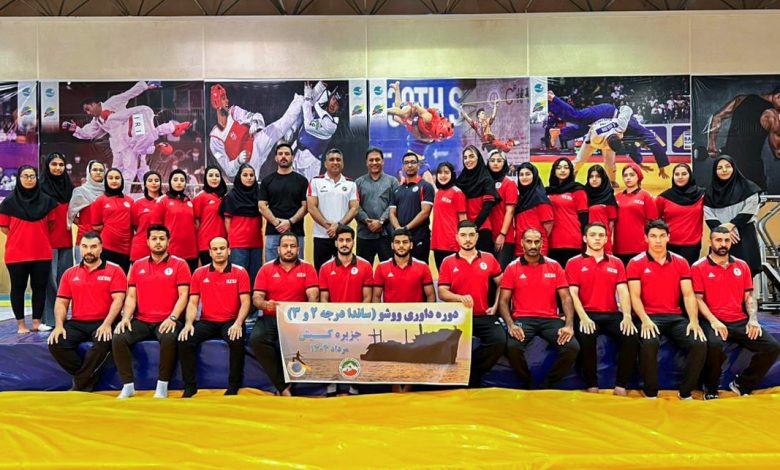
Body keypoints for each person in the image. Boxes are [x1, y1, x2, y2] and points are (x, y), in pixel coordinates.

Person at [693, 226, 780, 399]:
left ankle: (743, 384)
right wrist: (714, 321)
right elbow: (698, 299)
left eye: (726, 240)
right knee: (714, 345)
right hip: (712, 320)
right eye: (718, 240)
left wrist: (753, 319)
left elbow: (749, 296)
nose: (723, 244)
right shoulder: (698, 267)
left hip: (739, 320)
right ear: (710, 242)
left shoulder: (742, 265)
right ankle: (710, 388)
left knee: (772, 347)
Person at [627, 219, 706, 399]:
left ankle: (685, 392)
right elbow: (634, 296)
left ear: (668, 237)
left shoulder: (681, 262)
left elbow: (688, 294)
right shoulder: (635, 262)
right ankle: (650, 392)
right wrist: (645, 320)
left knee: (699, 343)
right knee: (649, 342)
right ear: (646, 238)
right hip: (648, 316)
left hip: (675, 317)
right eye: (653, 236)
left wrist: (694, 321)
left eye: (662, 236)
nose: (658, 240)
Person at [62, 81, 190, 187]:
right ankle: (123, 194)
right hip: (119, 146)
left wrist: (145, 86)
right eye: (86, 112)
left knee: (131, 171)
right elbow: (89, 132)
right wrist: (76, 129)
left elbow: (129, 94)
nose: (88, 113)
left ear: (94, 104)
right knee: (120, 171)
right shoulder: (97, 121)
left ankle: (131, 195)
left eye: (88, 109)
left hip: (133, 135)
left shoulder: (112, 102)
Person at [113, 225, 191, 399]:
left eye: (162, 239)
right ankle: (128, 386)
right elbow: (131, 296)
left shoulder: (180, 264)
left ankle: (162, 386)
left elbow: (183, 295)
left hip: (168, 319)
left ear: (168, 242)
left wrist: (172, 318)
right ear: (147, 242)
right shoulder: (137, 265)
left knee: (169, 337)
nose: (158, 242)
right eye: (154, 239)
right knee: (119, 336)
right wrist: (126, 317)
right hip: (142, 320)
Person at [499, 228, 579, 389]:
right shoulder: (512, 267)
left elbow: (566, 298)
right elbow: (503, 301)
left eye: (537, 242)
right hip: (523, 319)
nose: (533, 245)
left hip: (550, 319)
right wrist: (511, 325)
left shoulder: (554, 266)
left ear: (542, 243)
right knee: (512, 347)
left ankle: (548, 384)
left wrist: (569, 325)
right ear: (522, 243)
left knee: (572, 347)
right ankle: (528, 382)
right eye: (529, 241)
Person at [47, 232, 126, 391]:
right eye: (84, 246)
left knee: (103, 343)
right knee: (56, 343)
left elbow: (118, 300)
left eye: (93, 247)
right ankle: (87, 378)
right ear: (80, 248)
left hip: (104, 321)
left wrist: (107, 324)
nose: (88, 251)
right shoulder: (70, 273)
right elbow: (61, 302)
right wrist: (59, 326)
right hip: (77, 322)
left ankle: (80, 383)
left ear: (101, 248)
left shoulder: (115, 270)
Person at [565, 223, 637, 395]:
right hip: (586, 313)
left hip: (611, 313)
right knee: (587, 336)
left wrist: (627, 316)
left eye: (601, 235)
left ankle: (621, 385)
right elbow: (572, 293)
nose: (597, 238)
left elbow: (623, 291)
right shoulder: (573, 262)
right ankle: (592, 384)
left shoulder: (616, 262)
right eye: (593, 235)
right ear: (585, 238)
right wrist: (583, 317)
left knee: (631, 336)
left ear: (606, 239)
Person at [178, 237, 251, 398]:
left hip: (231, 321)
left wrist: (238, 323)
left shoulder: (240, 272)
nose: (219, 252)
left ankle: (233, 386)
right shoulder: (199, 273)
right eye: (215, 249)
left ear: (229, 251)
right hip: (207, 322)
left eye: (222, 248)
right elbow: (193, 302)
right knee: (185, 340)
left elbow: (246, 302)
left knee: (236, 341)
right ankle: (190, 387)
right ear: (210, 252)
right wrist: (188, 323)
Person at [438, 221, 505, 388]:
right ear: (457, 238)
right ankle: (452, 381)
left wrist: (495, 306)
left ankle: (473, 374)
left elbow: (502, 284)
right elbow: (442, 292)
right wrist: (459, 298)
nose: (467, 239)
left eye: (471, 235)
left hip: (483, 315)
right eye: (463, 235)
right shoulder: (448, 261)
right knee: (445, 345)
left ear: (477, 237)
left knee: (499, 341)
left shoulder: (489, 258)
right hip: (458, 316)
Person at [250, 233, 319, 396]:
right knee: (256, 339)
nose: (289, 250)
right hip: (271, 317)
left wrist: (307, 315)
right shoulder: (266, 269)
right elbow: (256, 298)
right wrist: (265, 304)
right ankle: (283, 386)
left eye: (292, 246)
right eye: (285, 246)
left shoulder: (307, 268)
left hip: (297, 319)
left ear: (298, 249)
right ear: (278, 249)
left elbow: (313, 296)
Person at [547, 90, 669, 179]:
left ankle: (558, 131)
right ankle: (553, 98)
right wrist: (662, 167)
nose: (645, 148)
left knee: (583, 129)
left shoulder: (634, 137)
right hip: (607, 113)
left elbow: (632, 148)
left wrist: (640, 163)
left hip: (604, 124)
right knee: (577, 117)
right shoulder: (641, 131)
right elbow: (655, 145)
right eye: (646, 146)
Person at [373, 228, 436, 392]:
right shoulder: (381, 268)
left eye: (405, 242)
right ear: (392, 245)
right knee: (392, 357)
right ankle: (395, 387)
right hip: (390, 322)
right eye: (398, 242)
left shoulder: (423, 267)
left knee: (414, 357)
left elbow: (431, 295)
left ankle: (408, 387)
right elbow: (376, 296)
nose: (401, 246)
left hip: (416, 322)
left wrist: (428, 319)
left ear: (411, 245)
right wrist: (379, 319)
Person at [0, 165, 57, 334]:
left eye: (32, 176)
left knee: (39, 288)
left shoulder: (47, 201)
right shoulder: (8, 203)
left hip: (42, 253)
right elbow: (4, 228)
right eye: (25, 176)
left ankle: (37, 323)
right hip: (17, 254)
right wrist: (21, 236)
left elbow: (51, 225)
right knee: (18, 288)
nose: (29, 179)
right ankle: (21, 325)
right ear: (19, 178)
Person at [318, 225, 374, 396]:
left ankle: (354, 385)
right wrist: (332, 319)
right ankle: (331, 384)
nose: (344, 244)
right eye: (341, 240)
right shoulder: (325, 268)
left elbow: (367, 297)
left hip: (357, 321)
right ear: (335, 243)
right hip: (333, 321)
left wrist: (357, 319)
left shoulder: (365, 266)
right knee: (331, 350)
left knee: (356, 351)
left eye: (348, 240)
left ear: (353, 242)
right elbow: (324, 299)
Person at [208, 84, 303, 178]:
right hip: (248, 164)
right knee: (252, 182)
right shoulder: (215, 139)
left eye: (226, 97)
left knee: (280, 126)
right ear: (217, 104)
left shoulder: (234, 112)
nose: (227, 100)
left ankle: (300, 100)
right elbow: (228, 170)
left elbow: (254, 116)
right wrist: (238, 161)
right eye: (223, 98)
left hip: (257, 142)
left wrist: (254, 122)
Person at [706, 86, 780, 190]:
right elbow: (778, 152)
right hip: (751, 172)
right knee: (756, 199)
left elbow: (717, 117)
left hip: (729, 168)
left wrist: (712, 144)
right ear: (778, 96)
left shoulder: (740, 99)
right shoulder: (772, 116)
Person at [704, 155, 763, 277]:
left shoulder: (749, 187)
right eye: (719, 168)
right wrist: (724, 232)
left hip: (744, 236)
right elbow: (709, 216)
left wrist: (731, 225)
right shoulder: (709, 193)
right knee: (719, 274)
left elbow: (749, 210)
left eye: (728, 166)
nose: (724, 170)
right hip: (720, 238)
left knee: (746, 274)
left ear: (734, 168)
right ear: (715, 171)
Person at [307, 149, 359, 270]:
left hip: (343, 237)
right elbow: (311, 207)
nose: (335, 162)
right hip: (321, 236)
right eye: (331, 160)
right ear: (325, 164)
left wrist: (339, 226)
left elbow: (354, 208)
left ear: (343, 163)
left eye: (338, 160)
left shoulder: (351, 184)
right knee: (321, 272)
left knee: (344, 271)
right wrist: (328, 226)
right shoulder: (316, 181)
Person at [40, 152, 75, 329]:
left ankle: (63, 317)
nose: (58, 168)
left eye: (61, 165)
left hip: (66, 240)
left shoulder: (70, 188)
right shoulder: (40, 188)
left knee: (65, 281)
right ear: (47, 166)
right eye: (54, 164)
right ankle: (49, 319)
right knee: (50, 282)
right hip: (47, 242)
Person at [259, 142, 309, 262]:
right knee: (271, 268)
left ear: (292, 157)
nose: (283, 156)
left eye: (287, 154)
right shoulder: (267, 181)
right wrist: (277, 223)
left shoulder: (302, 181)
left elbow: (306, 206)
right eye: (280, 154)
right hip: (273, 232)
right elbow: (262, 206)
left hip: (296, 232)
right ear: (276, 158)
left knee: (297, 268)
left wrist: (290, 222)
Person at [290, 81, 343, 181]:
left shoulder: (331, 125)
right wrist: (320, 87)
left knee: (307, 189)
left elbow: (308, 124)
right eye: (333, 99)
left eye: (337, 104)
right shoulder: (323, 103)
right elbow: (310, 100)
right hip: (296, 152)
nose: (333, 104)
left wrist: (307, 98)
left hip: (310, 163)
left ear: (340, 108)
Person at [354, 147, 399, 264]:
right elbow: (355, 206)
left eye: (377, 160)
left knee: (389, 270)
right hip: (364, 234)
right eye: (371, 160)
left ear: (383, 161)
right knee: (363, 270)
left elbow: (394, 204)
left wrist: (381, 221)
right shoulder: (358, 182)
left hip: (386, 235)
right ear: (366, 162)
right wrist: (366, 220)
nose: (374, 163)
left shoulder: (393, 181)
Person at [390, 151, 436, 263]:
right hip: (401, 239)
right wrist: (399, 229)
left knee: (420, 270)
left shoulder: (426, 186)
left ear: (418, 165)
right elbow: (391, 213)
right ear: (403, 167)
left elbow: (425, 212)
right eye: (406, 163)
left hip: (419, 238)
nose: (410, 165)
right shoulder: (397, 190)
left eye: (413, 162)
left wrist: (405, 229)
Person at [220, 164, 263, 283]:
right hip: (238, 244)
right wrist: (232, 240)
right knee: (238, 279)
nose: (249, 178)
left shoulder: (260, 196)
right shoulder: (231, 197)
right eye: (245, 175)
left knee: (255, 279)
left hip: (256, 244)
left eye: (251, 175)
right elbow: (227, 222)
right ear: (239, 177)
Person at [656, 163, 705, 266]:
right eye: (677, 174)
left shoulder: (701, 195)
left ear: (690, 176)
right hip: (668, 244)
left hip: (692, 246)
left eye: (684, 174)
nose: (680, 177)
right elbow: (654, 221)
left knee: (687, 275)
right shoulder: (663, 198)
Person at [456, 145, 500, 253]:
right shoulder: (460, 180)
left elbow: (487, 208)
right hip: (464, 230)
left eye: (471, 156)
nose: (468, 160)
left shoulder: (486, 179)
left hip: (481, 229)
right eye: (465, 158)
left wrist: (473, 228)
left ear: (478, 158)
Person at [614, 163, 658, 266]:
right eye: (625, 175)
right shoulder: (617, 197)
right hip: (619, 247)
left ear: (638, 176)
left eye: (632, 175)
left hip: (640, 247)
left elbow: (653, 223)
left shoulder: (646, 196)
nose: (628, 178)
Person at [154, 169, 199, 272]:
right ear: (170, 182)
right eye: (175, 180)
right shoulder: (162, 201)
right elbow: (156, 228)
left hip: (191, 253)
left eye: (182, 180)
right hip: (171, 252)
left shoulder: (189, 201)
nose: (179, 182)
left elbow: (194, 226)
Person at [546, 157, 588, 266]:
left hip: (572, 240)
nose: (562, 170)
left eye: (566, 167)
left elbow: (584, 217)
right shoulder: (547, 191)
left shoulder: (578, 190)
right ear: (554, 171)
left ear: (571, 170)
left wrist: (586, 240)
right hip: (551, 241)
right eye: (559, 168)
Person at [91, 169, 133, 273]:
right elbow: (96, 226)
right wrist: (111, 230)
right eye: (110, 178)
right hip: (107, 247)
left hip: (126, 248)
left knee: (122, 278)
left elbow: (133, 224)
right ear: (106, 180)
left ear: (122, 180)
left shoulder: (130, 201)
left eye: (117, 178)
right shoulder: (100, 200)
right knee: (105, 277)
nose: (114, 181)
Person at [431, 162, 467, 270]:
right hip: (437, 243)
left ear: (452, 174)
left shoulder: (457, 192)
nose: (443, 175)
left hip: (452, 243)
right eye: (440, 172)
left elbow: (463, 219)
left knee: (455, 277)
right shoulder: (438, 192)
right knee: (442, 276)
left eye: (446, 172)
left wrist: (463, 240)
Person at [68, 160, 105, 262]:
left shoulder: (109, 192)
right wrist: (84, 225)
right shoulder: (80, 191)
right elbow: (71, 215)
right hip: (84, 238)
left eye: (101, 170)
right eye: (95, 170)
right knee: (83, 270)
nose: (98, 172)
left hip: (106, 239)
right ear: (89, 172)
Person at [513, 163, 553, 257]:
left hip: (537, 247)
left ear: (534, 176)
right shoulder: (519, 198)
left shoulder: (540, 197)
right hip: (520, 246)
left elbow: (548, 224)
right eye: (521, 175)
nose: (524, 177)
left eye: (527, 174)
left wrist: (535, 238)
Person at [486, 149, 518, 269]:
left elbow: (510, 211)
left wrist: (502, 234)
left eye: (499, 161)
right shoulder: (484, 182)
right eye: (492, 160)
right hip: (486, 235)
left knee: (501, 273)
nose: (495, 163)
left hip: (504, 236)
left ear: (504, 163)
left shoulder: (509, 183)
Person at [193, 166, 228, 266]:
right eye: (211, 175)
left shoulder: (225, 197)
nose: (214, 178)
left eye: (217, 176)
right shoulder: (200, 197)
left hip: (222, 243)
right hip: (205, 244)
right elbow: (196, 224)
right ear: (206, 178)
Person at [585, 165, 618, 254]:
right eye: (591, 176)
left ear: (603, 178)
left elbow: (611, 224)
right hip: (585, 242)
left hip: (602, 242)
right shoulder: (583, 195)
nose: (594, 179)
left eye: (598, 176)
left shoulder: (609, 196)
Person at [130, 171, 161, 263]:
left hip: (161, 246)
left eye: (156, 180)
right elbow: (135, 226)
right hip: (141, 246)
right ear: (145, 184)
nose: (154, 183)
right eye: (150, 180)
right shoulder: (137, 203)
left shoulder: (165, 201)